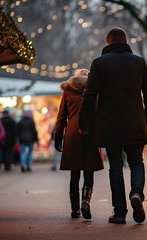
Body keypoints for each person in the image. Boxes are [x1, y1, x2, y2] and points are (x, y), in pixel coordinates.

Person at [79, 27, 147, 224]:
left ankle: (120, 211)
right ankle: (137, 193)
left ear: (108, 43)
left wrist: (84, 123)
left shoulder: (99, 63)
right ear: (125, 41)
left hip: (109, 123)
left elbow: (89, 96)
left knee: (115, 165)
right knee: (136, 161)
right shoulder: (138, 62)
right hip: (135, 122)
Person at [54, 69, 104, 219]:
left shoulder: (67, 92)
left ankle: (75, 209)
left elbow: (61, 117)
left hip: (71, 135)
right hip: (90, 133)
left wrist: (58, 137)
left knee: (74, 173)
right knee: (89, 171)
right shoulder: (94, 91)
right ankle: (85, 201)